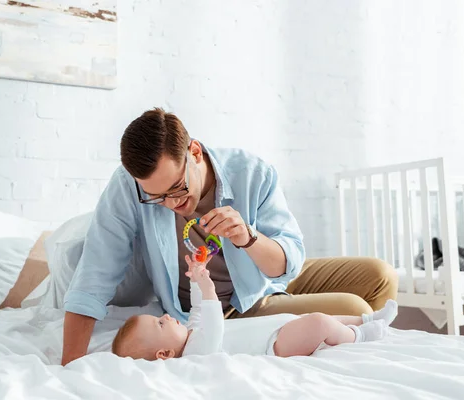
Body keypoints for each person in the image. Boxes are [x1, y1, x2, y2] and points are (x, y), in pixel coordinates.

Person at [61, 107, 398, 366]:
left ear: (194, 153)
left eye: (178, 189)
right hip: (228, 309)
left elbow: (289, 263)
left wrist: (248, 238)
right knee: (353, 307)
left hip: (261, 279)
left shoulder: (251, 173)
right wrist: (70, 370)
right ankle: (355, 356)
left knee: (379, 275)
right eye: (157, 197)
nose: (172, 204)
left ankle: (365, 352)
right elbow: (94, 277)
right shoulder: (128, 186)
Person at [111, 255, 398, 360]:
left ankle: (367, 318)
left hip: (274, 327)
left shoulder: (190, 333)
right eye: (160, 324)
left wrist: (198, 279)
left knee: (319, 318)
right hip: (274, 344)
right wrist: (209, 288)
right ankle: (362, 335)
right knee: (319, 323)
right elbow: (212, 320)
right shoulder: (196, 354)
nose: (164, 317)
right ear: (164, 354)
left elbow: (199, 310)